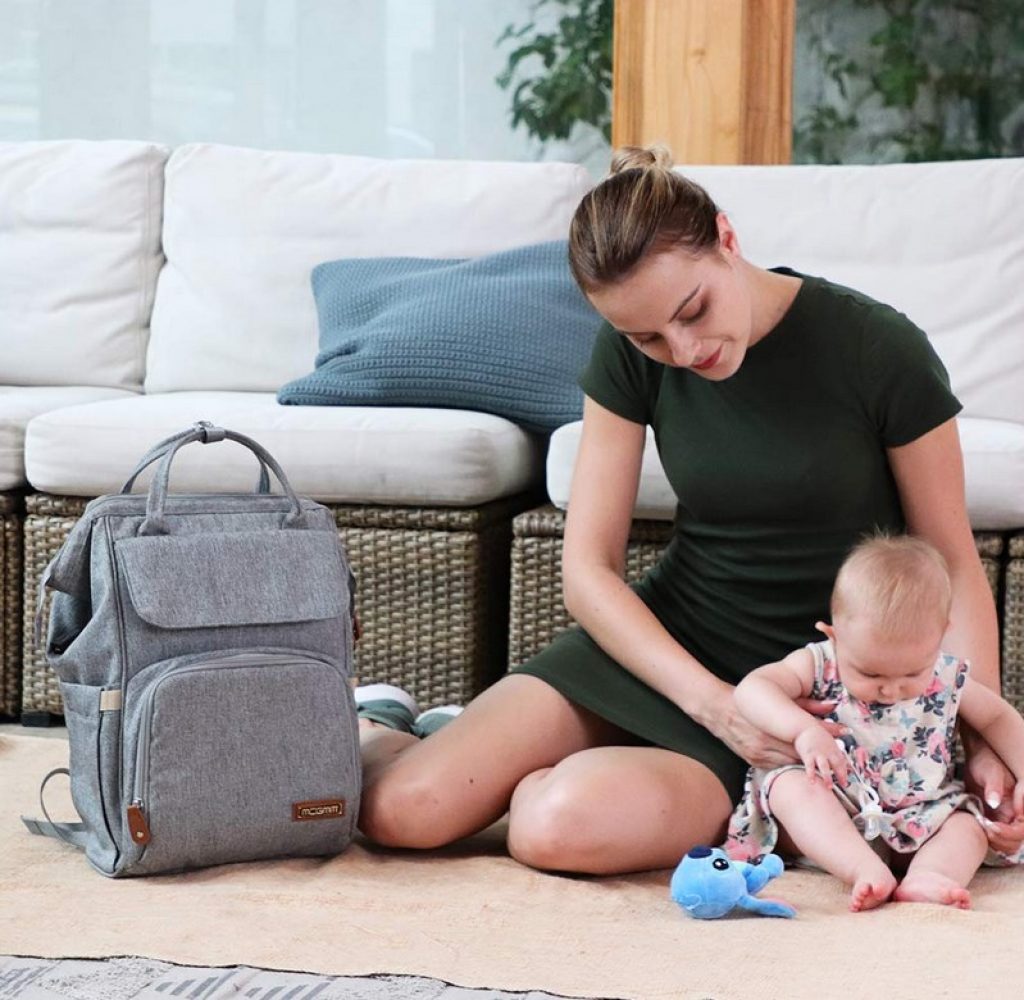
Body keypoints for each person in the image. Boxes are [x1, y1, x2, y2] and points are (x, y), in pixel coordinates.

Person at [354, 145, 1024, 876]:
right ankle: (384, 723)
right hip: (674, 650)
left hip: (823, 694)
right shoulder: (628, 353)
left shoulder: (877, 347)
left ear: (727, 238)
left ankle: (550, 761)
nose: (682, 349)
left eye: (692, 310)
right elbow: (588, 571)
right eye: (647, 337)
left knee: (554, 826)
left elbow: (951, 561)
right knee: (401, 812)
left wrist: (977, 737)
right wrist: (714, 704)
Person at [724, 534, 1024, 911]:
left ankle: (931, 875)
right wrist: (802, 730)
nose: (891, 689)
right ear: (834, 636)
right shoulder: (819, 662)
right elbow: (753, 689)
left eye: (912, 672)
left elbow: (997, 716)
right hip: (836, 810)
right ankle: (862, 868)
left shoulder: (947, 674)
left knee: (968, 825)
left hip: (921, 814)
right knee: (789, 787)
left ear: (940, 636)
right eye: (870, 673)